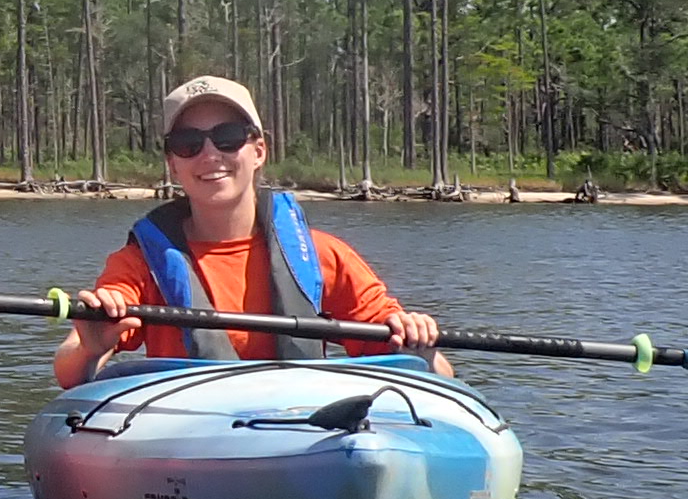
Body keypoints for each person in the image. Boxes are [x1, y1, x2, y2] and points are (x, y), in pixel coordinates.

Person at [49, 74, 446, 389]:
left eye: (228, 138)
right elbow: (70, 373)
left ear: (258, 151)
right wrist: (91, 346)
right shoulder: (138, 266)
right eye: (188, 143)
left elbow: (437, 376)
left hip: (302, 432)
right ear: (173, 164)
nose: (210, 155)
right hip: (190, 436)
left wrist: (420, 348)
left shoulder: (325, 256)